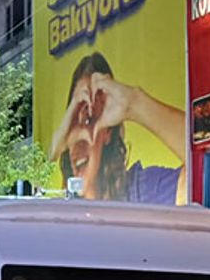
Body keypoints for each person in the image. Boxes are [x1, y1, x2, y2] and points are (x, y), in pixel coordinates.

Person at [49, 52, 187, 204]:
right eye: (72, 125)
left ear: (107, 132)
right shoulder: (60, 210)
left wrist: (133, 103)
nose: (79, 141)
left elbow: (201, 171)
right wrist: (52, 152)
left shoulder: (140, 192)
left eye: (89, 120)